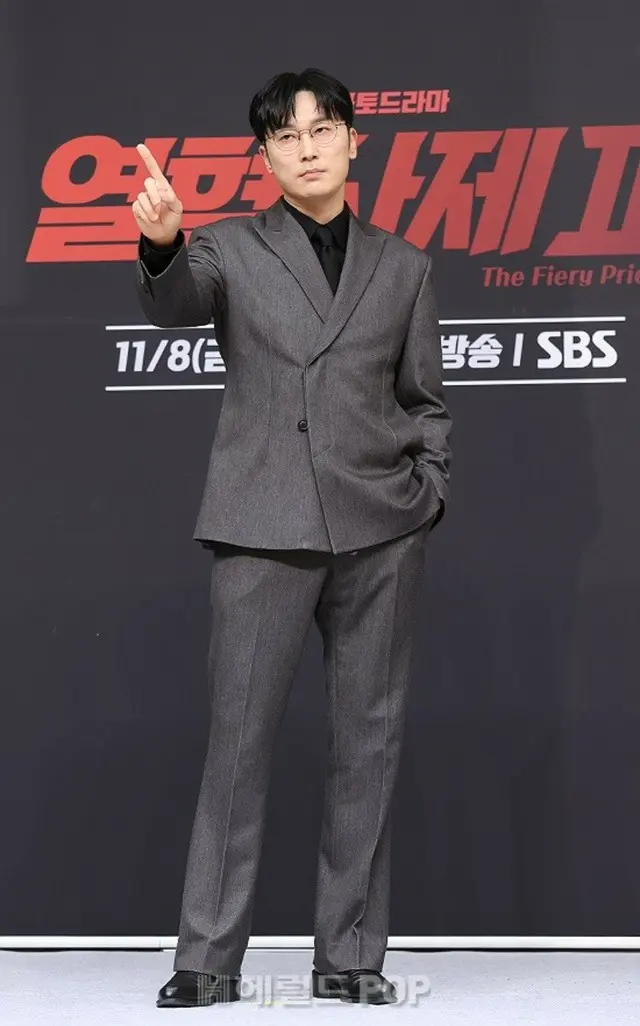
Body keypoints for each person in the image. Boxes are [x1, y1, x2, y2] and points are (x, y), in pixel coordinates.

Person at [133, 67, 452, 1008]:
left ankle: (350, 956)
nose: (307, 148)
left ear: (355, 140)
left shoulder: (404, 265)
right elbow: (174, 301)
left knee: (369, 743)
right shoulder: (229, 248)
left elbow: (425, 399)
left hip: (381, 526)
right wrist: (162, 240)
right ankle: (206, 958)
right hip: (262, 523)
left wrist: (427, 492)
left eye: (322, 129)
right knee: (237, 744)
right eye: (286, 136)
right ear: (264, 157)